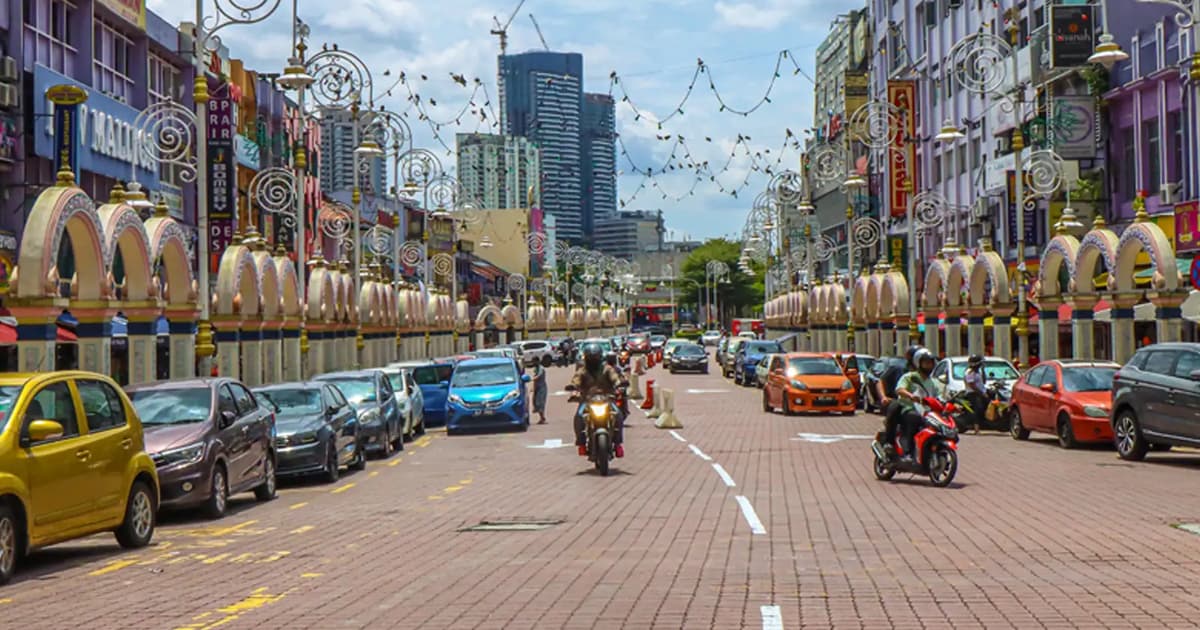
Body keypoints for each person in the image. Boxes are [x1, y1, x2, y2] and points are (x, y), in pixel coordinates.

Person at [568, 342, 626, 458]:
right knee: (579, 417)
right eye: (590, 358)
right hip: (587, 400)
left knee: (618, 415)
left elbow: (615, 378)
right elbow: (576, 380)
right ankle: (581, 443)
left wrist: (619, 385)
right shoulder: (583, 370)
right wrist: (574, 389)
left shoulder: (607, 369)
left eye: (595, 357)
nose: (593, 360)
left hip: (607, 398)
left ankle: (618, 444)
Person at [892, 348, 944, 461]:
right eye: (926, 363)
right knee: (914, 418)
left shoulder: (933, 381)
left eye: (930, 363)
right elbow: (899, 389)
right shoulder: (910, 377)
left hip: (927, 411)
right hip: (909, 408)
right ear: (918, 363)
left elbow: (940, 396)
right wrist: (910, 396)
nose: (929, 366)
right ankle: (907, 452)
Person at [880, 345, 920, 452]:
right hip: (900, 401)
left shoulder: (926, 372)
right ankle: (889, 442)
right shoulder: (899, 368)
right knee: (896, 407)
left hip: (920, 405)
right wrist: (883, 397)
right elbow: (880, 381)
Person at [962, 354, 987, 434]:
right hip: (973, 393)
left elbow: (984, 381)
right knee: (978, 409)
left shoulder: (978, 372)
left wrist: (983, 370)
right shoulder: (969, 372)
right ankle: (976, 428)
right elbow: (972, 385)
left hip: (981, 392)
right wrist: (981, 393)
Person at [526, 355, 548, 425]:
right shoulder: (536, 369)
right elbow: (535, 379)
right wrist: (533, 387)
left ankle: (542, 418)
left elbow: (538, 376)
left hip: (542, 387)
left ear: (538, 361)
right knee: (535, 402)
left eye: (534, 361)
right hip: (537, 387)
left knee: (540, 402)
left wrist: (531, 379)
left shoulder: (541, 368)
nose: (533, 363)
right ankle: (542, 418)